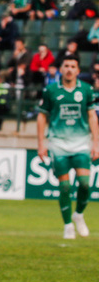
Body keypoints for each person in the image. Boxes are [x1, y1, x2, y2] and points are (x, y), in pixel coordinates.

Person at [36, 56, 99, 239]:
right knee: (64, 187)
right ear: (61, 69)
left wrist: (96, 142)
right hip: (58, 143)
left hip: (80, 143)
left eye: (73, 66)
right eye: (66, 66)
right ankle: (67, 225)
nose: (69, 69)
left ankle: (78, 214)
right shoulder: (51, 90)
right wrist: (41, 144)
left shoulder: (86, 90)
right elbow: (42, 117)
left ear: (78, 70)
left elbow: (92, 117)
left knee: (85, 184)